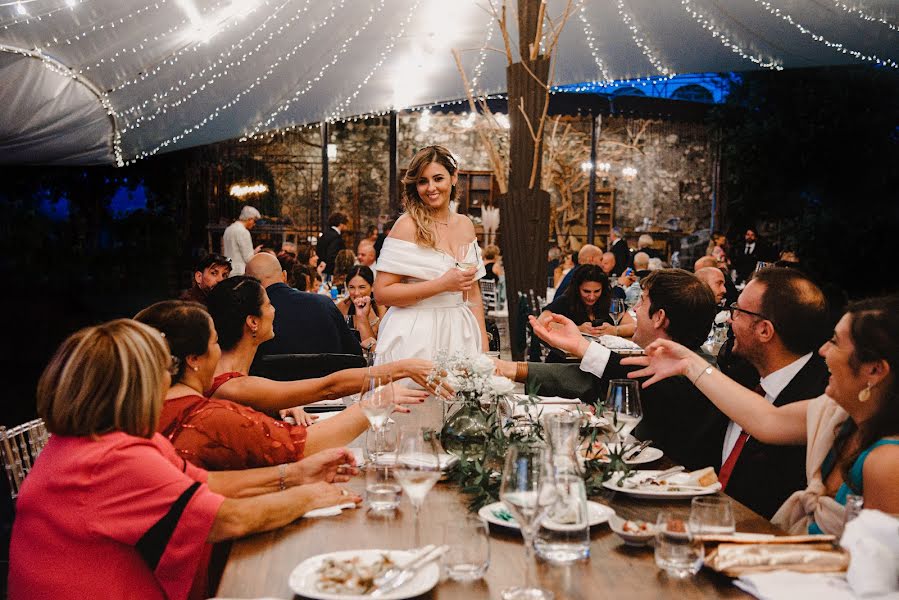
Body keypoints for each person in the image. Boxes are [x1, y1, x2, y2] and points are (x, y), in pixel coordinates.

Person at [8, 319, 361, 600]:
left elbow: (203, 484)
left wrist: (297, 473)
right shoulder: (115, 458)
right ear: (139, 385)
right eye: (163, 368)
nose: (168, 378)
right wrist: (309, 495)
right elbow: (228, 520)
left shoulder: (84, 443)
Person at [622, 295, 899, 535]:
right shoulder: (838, 417)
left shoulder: (888, 461)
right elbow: (767, 420)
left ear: (875, 370)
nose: (824, 351)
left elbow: (875, 575)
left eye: (836, 343)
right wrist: (688, 364)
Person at [135, 301, 425, 470]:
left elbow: (211, 484)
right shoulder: (210, 414)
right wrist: (377, 401)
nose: (218, 351)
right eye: (213, 343)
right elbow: (302, 444)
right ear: (193, 359)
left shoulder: (140, 411)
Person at [496, 269, 724, 471]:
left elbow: (625, 378)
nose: (635, 309)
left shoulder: (693, 374)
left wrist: (582, 347)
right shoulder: (673, 359)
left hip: (674, 488)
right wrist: (512, 368)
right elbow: (599, 379)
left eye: (642, 302)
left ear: (659, 317)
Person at [204, 276, 445, 423]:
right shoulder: (233, 386)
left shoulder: (227, 375)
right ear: (252, 322)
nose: (275, 310)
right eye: (268, 305)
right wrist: (402, 369)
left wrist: (275, 405)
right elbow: (329, 386)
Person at [373, 145, 489, 428]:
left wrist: (484, 352)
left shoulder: (465, 225)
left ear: (453, 178)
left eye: (437, 178)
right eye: (422, 181)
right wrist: (440, 284)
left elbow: (472, 293)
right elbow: (382, 292)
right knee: (414, 420)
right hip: (415, 333)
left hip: (460, 332)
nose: (430, 188)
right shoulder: (407, 225)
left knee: (461, 418)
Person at [707, 267, 830, 518]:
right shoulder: (741, 375)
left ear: (765, 330)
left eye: (738, 311)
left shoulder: (818, 397)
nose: (730, 319)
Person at [244, 254, 362, 360]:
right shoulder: (323, 304)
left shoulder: (250, 317)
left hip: (268, 382)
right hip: (325, 381)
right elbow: (354, 354)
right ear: (284, 276)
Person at [539, 265, 635, 339]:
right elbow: (541, 322)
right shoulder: (565, 301)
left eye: (597, 291)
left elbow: (634, 326)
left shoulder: (609, 300)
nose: (592, 297)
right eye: (586, 291)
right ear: (577, 289)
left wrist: (615, 330)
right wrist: (578, 329)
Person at [337, 265, 387, 351]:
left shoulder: (382, 308)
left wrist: (370, 315)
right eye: (352, 287)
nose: (356, 293)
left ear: (372, 287)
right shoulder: (342, 307)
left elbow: (380, 343)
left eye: (362, 287)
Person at [222, 206, 261, 276]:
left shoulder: (228, 229)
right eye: (255, 221)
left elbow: (228, 252)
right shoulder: (243, 232)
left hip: (227, 269)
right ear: (250, 219)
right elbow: (248, 258)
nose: (254, 224)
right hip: (240, 272)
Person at [318, 212, 349, 277]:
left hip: (321, 269)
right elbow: (332, 256)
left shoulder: (325, 234)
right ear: (341, 224)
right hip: (331, 272)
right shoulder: (336, 237)